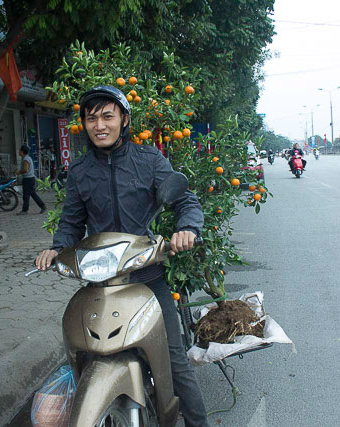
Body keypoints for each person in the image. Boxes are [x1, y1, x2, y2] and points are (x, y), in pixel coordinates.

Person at [34, 85, 209, 426]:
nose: (99, 125)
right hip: (100, 284)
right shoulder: (81, 171)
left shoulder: (149, 160)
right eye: (91, 118)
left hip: (146, 279)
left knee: (175, 362)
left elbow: (185, 200)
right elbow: (71, 221)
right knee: (83, 353)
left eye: (107, 116)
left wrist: (187, 228)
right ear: (84, 125)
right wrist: (56, 248)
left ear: (124, 120)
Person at [16, 145, 47, 215]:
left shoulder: (25, 159)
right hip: (30, 179)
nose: (19, 152)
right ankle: (42, 206)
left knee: (27, 195)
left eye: (20, 150)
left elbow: (25, 170)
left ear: (22, 151)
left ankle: (25, 210)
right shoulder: (26, 158)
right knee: (31, 194)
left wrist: (18, 172)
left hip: (28, 179)